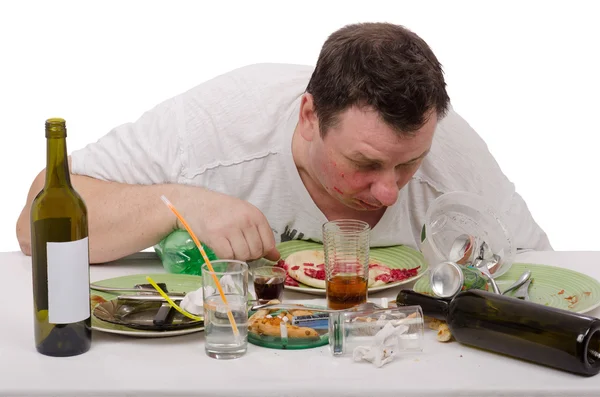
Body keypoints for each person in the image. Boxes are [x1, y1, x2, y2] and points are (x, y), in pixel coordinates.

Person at [16, 22, 552, 264]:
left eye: (409, 164)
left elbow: (539, 272)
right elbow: (35, 222)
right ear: (308, 116)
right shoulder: (216, 124)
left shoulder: (454, 152)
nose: (388, 191)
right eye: (364, 164)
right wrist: (181, 204)